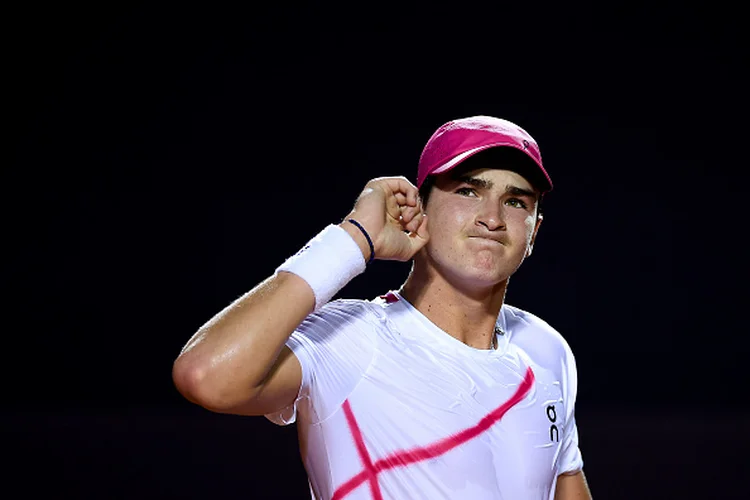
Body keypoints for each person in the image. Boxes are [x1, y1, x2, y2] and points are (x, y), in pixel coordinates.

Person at [173, 115, 592, 499]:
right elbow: (205, 376)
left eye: (516, 201)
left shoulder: (545, 348)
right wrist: (353, 239)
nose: (492, 218)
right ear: (419, 209)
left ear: (534, 231)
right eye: (468, 190)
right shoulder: (348, 338)